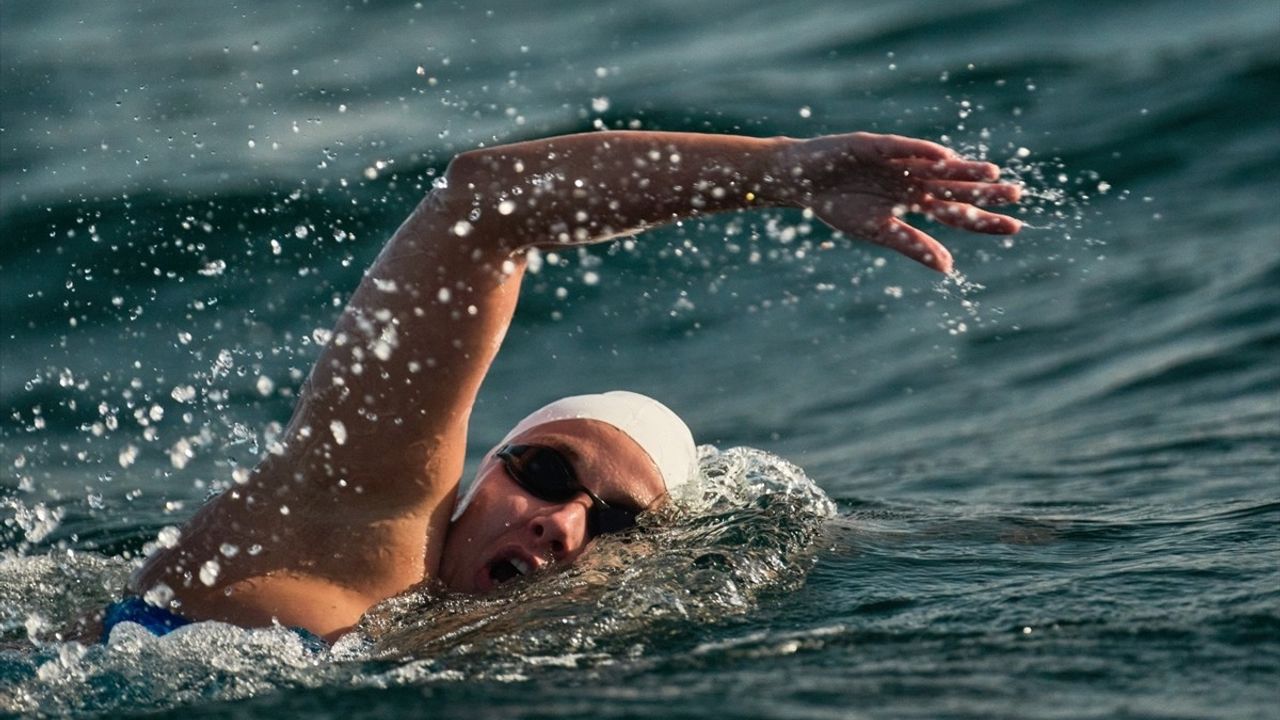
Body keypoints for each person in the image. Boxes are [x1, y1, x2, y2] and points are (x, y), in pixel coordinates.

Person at [94, 129, 1022, 644]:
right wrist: (775, 174)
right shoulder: (358, 531)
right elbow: (482, 206)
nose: (559, 523)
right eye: (542, 473)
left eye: (612, 522)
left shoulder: (544, 665)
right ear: (484, 468)